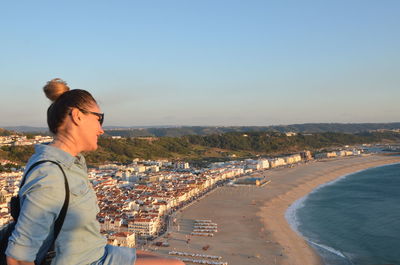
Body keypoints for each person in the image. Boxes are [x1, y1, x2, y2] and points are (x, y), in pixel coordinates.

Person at [6, 79, 184, 265]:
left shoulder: (71, 164)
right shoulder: (50, 174)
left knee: (174, 262)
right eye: (99, 118)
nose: (101, 130)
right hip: (82, 261)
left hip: (96, 250)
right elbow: (18, 258)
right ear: (77, 116)